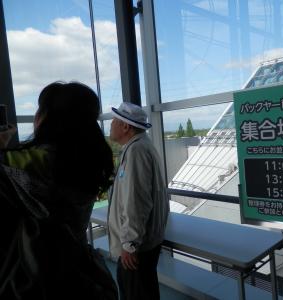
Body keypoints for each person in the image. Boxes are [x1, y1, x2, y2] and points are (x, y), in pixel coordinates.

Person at [0, 82, 116, 299]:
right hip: (78, 271)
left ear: (49, 117)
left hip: (31, 275)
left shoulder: (29, 161)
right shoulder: (91, 161)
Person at [108, 102, 170, 300]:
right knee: (145, 290)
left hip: (137, 246)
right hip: (144, 241)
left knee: (135, 293)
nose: (111, 124)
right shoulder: (142, 146)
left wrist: (129, 244)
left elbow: (137, 201)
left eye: (115, 121)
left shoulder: (136, 151)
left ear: (126, 126)